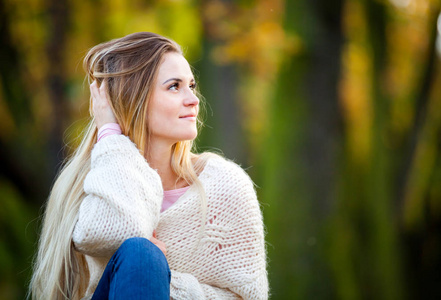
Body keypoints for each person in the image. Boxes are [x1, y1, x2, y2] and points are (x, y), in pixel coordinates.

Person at [29, 32, 268, 299]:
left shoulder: (225, 185)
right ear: (133, 98)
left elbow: (249, 296)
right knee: (140, 254)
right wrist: (111, 135)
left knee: (144, 257)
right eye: (174, 86)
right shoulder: (84, 185)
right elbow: (106, 233)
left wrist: (165, 282)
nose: (193, 99)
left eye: (192, 85)